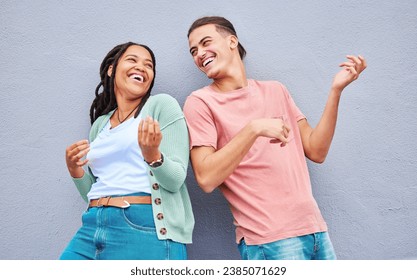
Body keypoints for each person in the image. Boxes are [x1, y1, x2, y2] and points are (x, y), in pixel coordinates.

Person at [183, 16, 367, 260]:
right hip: (269, 241)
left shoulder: (276, 90)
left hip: (315, 231)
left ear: (232, 41)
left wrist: (336, 90)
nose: (199, 54)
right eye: (194, 51)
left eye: (206, 43)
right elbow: (206, 178)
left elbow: (316, 150)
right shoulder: (200, 103)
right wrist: (253, 129)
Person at [60, 42, 194, 260]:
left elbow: (176, 180)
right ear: (112, 69)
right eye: (132, 60)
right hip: (93, 224)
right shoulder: (100, 124)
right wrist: (75, 170)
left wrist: (153, 156)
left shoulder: (161, 106)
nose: (141, 67)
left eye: (148, 65)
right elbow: (95, 192)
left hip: (143, 226)